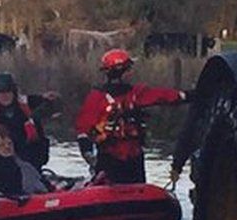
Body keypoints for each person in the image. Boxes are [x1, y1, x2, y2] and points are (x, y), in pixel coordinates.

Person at [75, 49, 188, 184]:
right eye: (128, 69)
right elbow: (83, 129)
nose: (131, 73)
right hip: (110, 157)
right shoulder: (101, 97)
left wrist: (188, 95)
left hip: (133, 156)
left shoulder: (134, 94)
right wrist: (89, 155)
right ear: (120, 72)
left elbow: (162, 96)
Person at [0, 72, 53, 171]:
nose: (5, 96)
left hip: (30, 163)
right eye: (1, 93)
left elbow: (52, 104)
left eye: (8, 92)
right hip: (1, 167)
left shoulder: (26, 109)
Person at [0, 125, 49, 197]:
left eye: (9, 143)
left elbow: (37, 182)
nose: (7, 147)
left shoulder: (23, 165)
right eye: (1, 145)